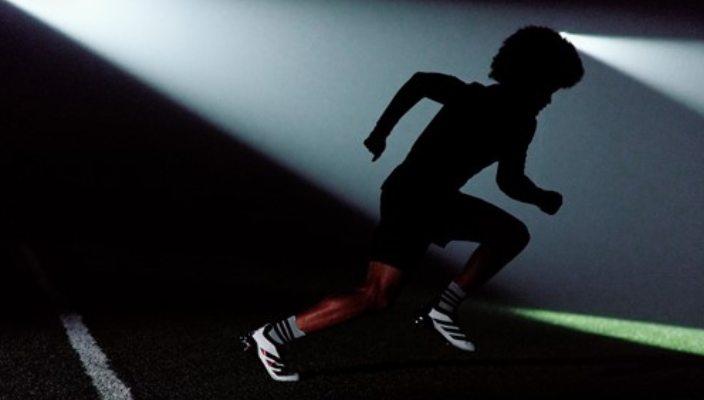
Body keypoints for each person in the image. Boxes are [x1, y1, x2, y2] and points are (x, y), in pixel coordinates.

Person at [242, 25, 584, 382]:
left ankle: (438, 310)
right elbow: (421, 82)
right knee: (379, 294)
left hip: (430, 199)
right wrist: (381, 131)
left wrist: (540, 197)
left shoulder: (521, 123)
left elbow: (509, 180)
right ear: (531, 77)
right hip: (414, 197)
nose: (549, 99)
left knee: (503, 236)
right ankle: (273, 337)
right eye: (550, 88)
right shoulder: (475, 98)